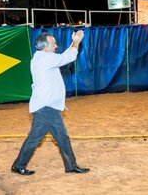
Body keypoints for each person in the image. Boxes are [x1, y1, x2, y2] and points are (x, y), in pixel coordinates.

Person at [11, 30, 90, 175]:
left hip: (49, 107)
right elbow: (69, 56)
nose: (56, 46)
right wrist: (77, 42)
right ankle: (19, 165)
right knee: (34, 139)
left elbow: (63, 56)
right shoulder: (45, 59)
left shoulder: (43, 57)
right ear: (45, 47)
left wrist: (73, 42)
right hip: (45, 108)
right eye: (53, 44)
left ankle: (71, 166)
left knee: (62, 137)